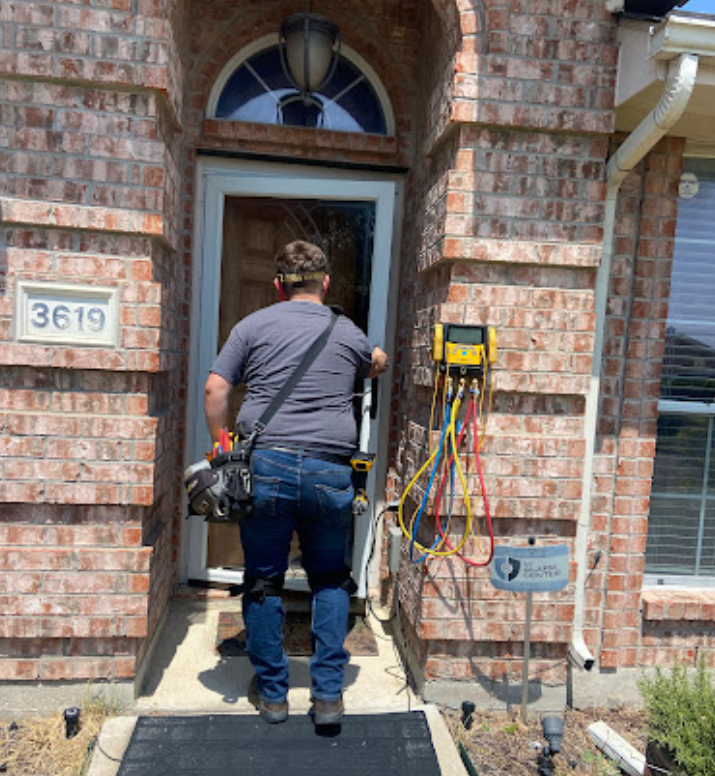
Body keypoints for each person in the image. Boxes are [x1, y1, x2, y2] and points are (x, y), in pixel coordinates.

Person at [204, 240, 388, 726]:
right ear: (326, 283)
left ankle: (274, 696)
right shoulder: (347, 331)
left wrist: (224, 452)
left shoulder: (253, 325)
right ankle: (327, 696)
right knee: (329, 578)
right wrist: (378, 359)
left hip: (266, 465)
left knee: (264, 579)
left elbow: (215, 389)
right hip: (330, 471)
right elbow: (374, 363)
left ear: (277, 286)